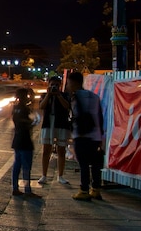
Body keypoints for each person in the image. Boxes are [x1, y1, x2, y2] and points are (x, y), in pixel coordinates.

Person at [68, 71, 106, 201]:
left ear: (74, 83)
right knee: (95, 163)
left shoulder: (75, 97)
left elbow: (75, 116)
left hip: (81, 135)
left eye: (69, 83)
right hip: (95, 135)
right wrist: (100, 135)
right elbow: (100, 117)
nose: (68, 85)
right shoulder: (94, 96)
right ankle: (96, 189)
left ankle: (84, 190)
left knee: (83, 164)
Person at [38, 76, 72, 185]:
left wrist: (58, 95)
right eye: (52, 84)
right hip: (48, 124)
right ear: (48, 84)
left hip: (61, 124)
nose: (54, 87)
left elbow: (67, 106)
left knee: (61, 150)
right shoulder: (44, 95)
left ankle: (60, 175)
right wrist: (48, 95)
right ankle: (44, 175)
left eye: (57, 85)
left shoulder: (65, 95)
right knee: (46, 150)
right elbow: (42, 106)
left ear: (60, 86)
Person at [11, 88, 41, 199]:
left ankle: (15, 188)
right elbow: (26, 123)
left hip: (17, 139)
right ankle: (27, 190)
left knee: (17, 165)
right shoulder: (23, 109)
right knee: (26, 166)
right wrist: (34, 122)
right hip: (25, 140)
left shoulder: (15, 108)